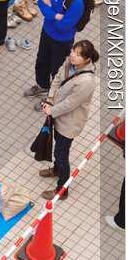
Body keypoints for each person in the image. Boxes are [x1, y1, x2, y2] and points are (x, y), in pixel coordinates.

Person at [39, 40, 98, 200]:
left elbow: (71, 104)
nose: (73, 55)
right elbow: (57, 78)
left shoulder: (87, 81)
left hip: (70, 122)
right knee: (58, 148)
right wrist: (50, 98)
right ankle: (57, 170)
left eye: (78, 54)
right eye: (73, 50)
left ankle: (62, 190)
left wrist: (52, 110)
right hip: (58, 115)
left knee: (61, 153)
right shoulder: (69, 61)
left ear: (86, 59)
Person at [24, 0, 85, 98]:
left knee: (57, 70)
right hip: (46, 32)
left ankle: (52, 97)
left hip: (62, 41)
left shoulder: (76, 3)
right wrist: (56, 14)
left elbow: (62, 26)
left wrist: (50, 7)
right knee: (41, 61)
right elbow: (40, 1)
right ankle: (42, 86)